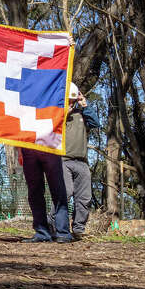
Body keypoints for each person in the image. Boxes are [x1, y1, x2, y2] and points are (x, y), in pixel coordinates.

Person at [62, 82, 94, 239]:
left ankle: (79, 228)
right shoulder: (57, 115)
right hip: (63, 160)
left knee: (84, 197)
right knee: (65, 193)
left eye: (72, 100)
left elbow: (95, 123)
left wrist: (84, 104)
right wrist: (63, 114)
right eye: (68, 100)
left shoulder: (81, 114)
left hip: (82, 161)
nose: (70, 103)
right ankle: (54, 224)